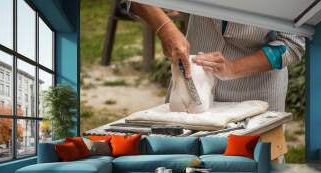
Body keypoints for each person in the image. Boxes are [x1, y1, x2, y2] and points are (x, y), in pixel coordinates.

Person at [128, 2, 305, 112]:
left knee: (251, 169)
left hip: (256, 92)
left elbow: (293, 43)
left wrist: (233, 68)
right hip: (191, 83)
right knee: (180, 163)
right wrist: (165, 28)